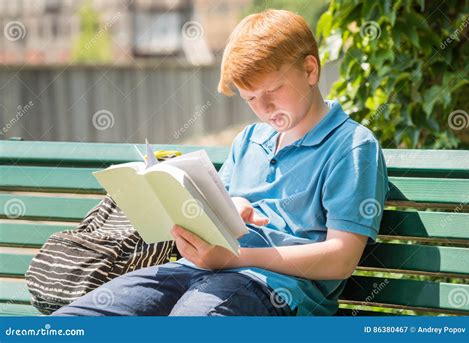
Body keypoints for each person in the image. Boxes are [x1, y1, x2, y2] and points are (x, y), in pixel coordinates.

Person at [51, 9, 389, 317]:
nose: (264, 108)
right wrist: (229, 209)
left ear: (310, 69)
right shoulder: (250, 139)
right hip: (195, 270)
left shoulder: (351, 146)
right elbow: (217, 215)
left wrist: (235, 258)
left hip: (273, 290)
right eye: (251, 98)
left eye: (273, 90)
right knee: (76, 320)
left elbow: (341, 259)